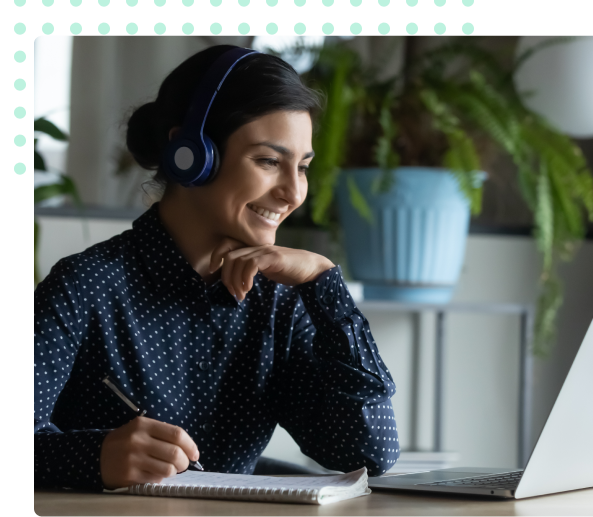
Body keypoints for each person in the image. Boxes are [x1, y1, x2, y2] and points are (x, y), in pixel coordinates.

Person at [33, 44, 400, 492]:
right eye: (268, 161)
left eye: (302, 167)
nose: (293, 193)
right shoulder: (86, 285)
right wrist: (95, 457)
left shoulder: (279, 301)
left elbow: (371, 451)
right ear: (189, 154)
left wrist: (326, 283)